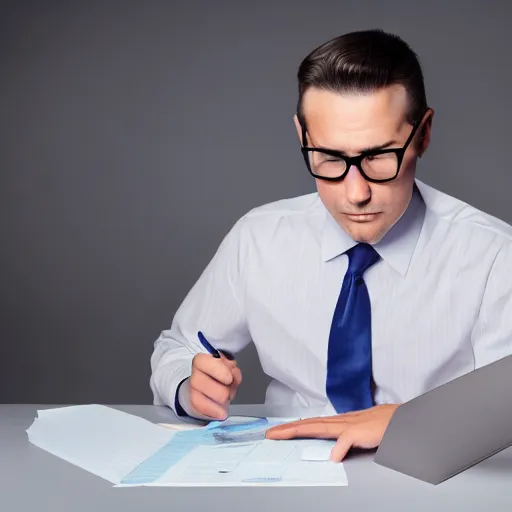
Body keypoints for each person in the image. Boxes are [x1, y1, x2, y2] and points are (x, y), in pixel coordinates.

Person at [150, 29, 512, 462]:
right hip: (282, 475)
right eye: (330, 158)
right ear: (302, 136)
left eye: (379, 156)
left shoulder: (494, 257)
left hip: (427, 479)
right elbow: (177, 347)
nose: (355, 193)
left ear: (423, 134)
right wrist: (188, 386)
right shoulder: (259, 238)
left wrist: (407, 420)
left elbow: (504, 411)